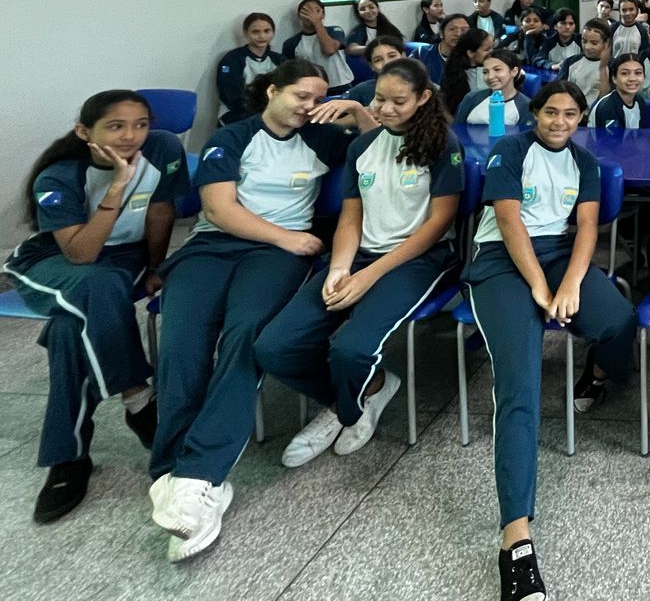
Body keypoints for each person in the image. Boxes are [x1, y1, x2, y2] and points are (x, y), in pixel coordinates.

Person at [149, 60, 359, 561]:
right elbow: (220, 209)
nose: (310, 106)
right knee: (182, 340)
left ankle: (198, 475)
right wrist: (290, 236)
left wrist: (355, 110)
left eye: (319, 97)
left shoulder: (321, 137)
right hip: (215, 246)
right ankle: (176, 475)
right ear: (272, 90)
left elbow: (376, 149)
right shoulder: (233, 136)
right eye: (301, 95)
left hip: (273, 259)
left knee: (245, 336)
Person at [464, 82, 637, 601]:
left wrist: (569, 282)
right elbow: (508, 220)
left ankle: (600, 373)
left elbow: (586, 229)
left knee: (620, 319)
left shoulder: (584, 162)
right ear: (534, 113)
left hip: (561, 253)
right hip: (503, 260)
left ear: (580, 118)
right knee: (521, 385)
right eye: (550, 112)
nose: (559, 121)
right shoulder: (509, 150)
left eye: (569, 114)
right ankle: (516, 537)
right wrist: (540, 286)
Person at [256, 59, 463, 467]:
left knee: (352, 350)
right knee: (274, 346)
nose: (385, 109)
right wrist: (339, 268)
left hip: (416, 259)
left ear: (423, 99)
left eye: (397, 102)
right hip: (358, 254)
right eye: (379, 99)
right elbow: (351, 218)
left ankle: (346, 410)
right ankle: (366, 391)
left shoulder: (443, 146)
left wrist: (369, 275)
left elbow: (438, 225)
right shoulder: (361, 147)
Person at [6, 91, 188, 523]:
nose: (131, 136)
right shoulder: (59, 176)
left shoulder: (163, 147)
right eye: (116, 126)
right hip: (55, 262)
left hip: (124, 259)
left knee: (70, 331)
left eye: (140, 124)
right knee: (98, 284)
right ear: (85, 132)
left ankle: (67, 458)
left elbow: (160, 212)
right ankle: (139, 399)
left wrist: (156, 265)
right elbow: (81, 255)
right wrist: (119, 185)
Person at [216, 12, 283, 124]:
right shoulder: (232, 59)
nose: (262, 36)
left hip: (270, 112)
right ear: (246, 34)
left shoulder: (279, 60)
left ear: (273, 33)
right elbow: (231, 97)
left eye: (267, 31)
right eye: (255, 32)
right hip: (236, 114)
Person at [283, 0, 355, 96]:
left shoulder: (335, 31)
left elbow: (329, 50)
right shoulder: (291, 43)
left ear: (323, 15)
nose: (312, 15)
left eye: (316, 11)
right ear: (299, 16)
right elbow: (290, 72)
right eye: (306, 11)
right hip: (312, 90)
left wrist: (317, 22)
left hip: (340, 87)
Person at [457, 50, 535, 126]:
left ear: (514, 71)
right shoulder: (471, 99)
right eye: (485, 72)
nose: (490, 76)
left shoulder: (526, 107)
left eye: (497, 69)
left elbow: (525, 137)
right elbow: (457, 130)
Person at [557, 18, 613, 107]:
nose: (587, 47)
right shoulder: (570, 62)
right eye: (584, 41)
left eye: (594, 43)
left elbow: (608, 99)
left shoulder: (613, 66)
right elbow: (558, 91)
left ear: (606, 43)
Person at [441, 28, 495, 116]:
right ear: (470, 53)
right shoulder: (454, 74)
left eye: (492, 48)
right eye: (486, 49)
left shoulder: (496, 70)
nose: (491, 52)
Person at [345, 36, 408, 107]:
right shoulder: (362, 90)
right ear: (371, 65)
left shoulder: (419, 84)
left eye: (392, 56)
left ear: (403, 56)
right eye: (378, 60)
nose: (386, 63)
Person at [589, 53, 646, 129]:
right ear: (614, 78)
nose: (632, 78)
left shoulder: (639, 101)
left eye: (638, 73)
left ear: (644, 76)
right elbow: (612, 140)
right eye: (625, 73)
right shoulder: (608, 108)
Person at [419, 13, 471, 83]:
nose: (458, 34)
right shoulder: (422, 53)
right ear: (441, 33)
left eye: (464, 30)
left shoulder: (472, 56)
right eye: (452, 29)